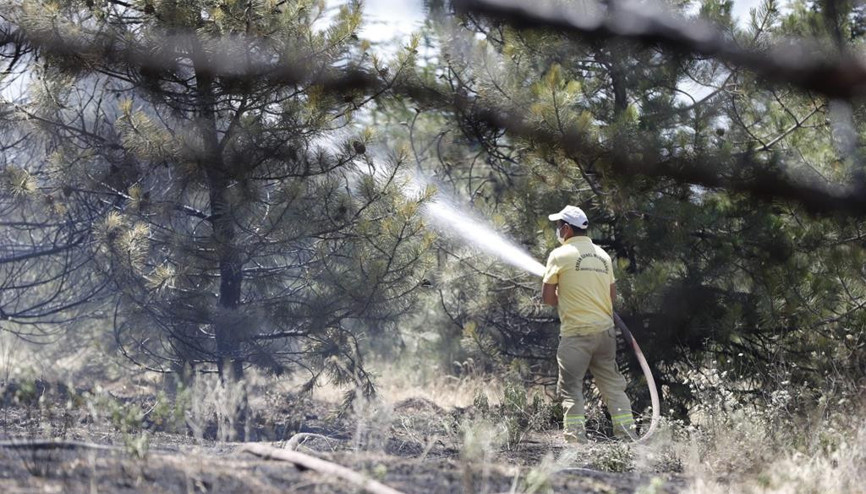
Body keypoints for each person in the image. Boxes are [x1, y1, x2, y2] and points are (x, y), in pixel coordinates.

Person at [541, 205, 636, 443]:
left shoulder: (559, 255)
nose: (557, 231)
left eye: (558, 226)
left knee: (571, 390)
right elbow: (611, 297)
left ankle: (576, 443)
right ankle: (628, 438)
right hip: (604, 334)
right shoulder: (603, 256)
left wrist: (567, 293)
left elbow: (548, 299)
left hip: (576, 335)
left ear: (566, 229)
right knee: (613, 388)